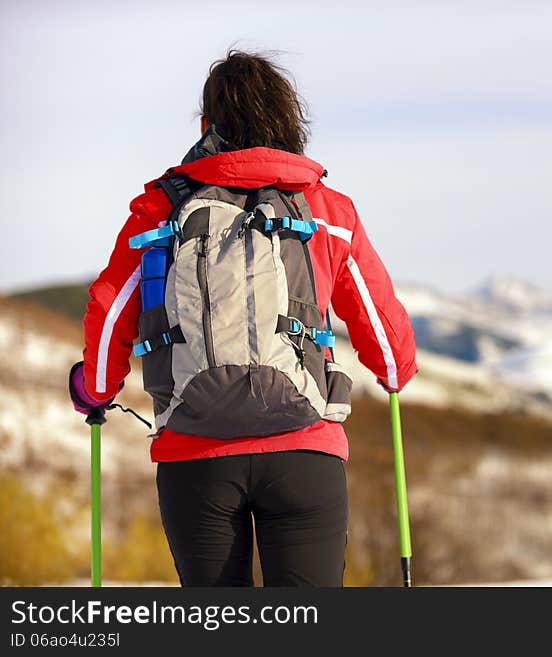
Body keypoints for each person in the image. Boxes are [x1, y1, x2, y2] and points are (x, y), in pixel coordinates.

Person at [67, 50, 417, 587]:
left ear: (207, 126)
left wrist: (93, 389)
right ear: (288, 121)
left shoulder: (161, 208)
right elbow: (390, 348)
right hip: (306, 447)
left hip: (195, 454)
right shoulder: (325, 208)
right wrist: (393, 374)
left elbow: (111, 308)